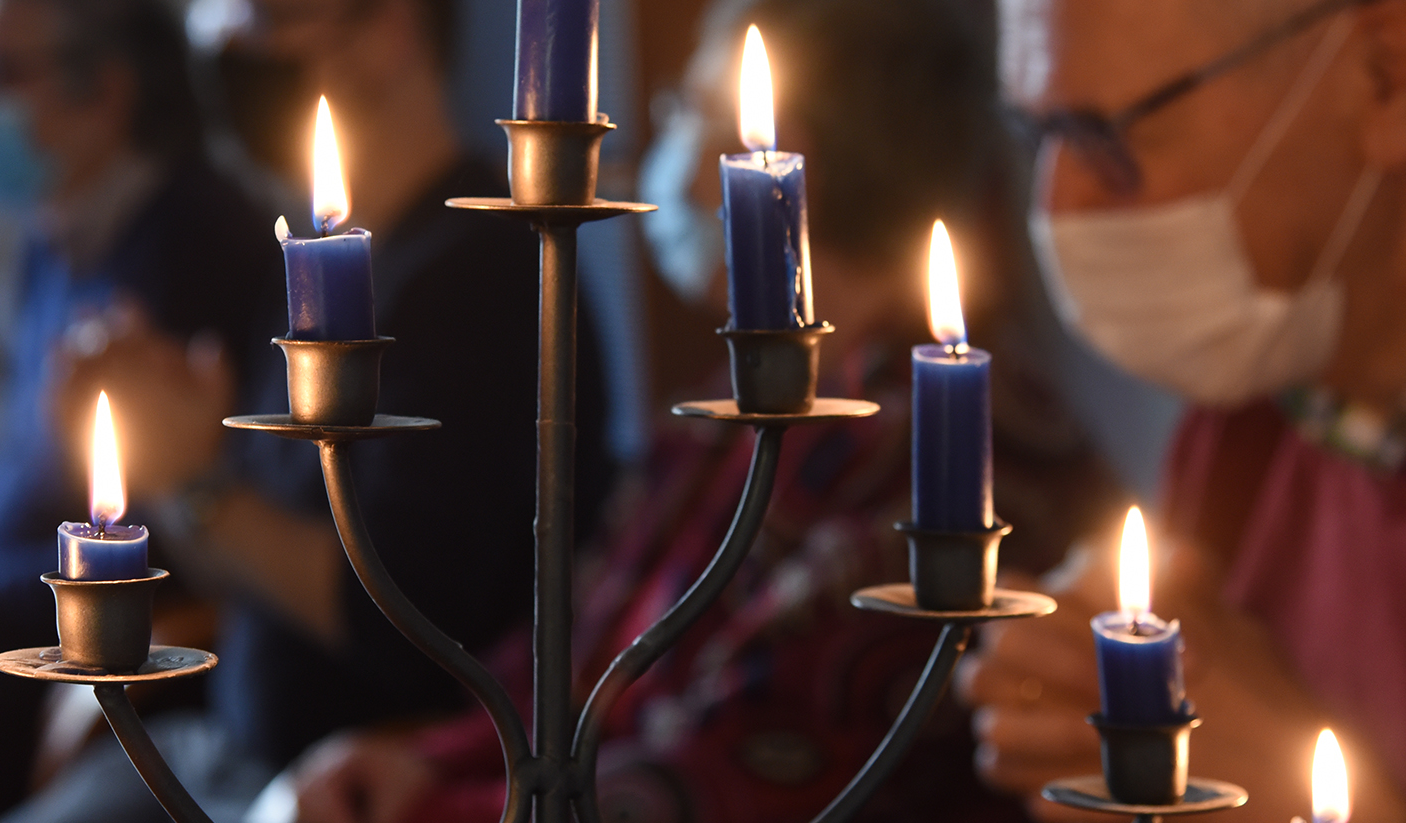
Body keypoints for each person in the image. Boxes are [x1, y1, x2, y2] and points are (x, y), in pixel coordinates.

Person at [272, 0, 1125, 821]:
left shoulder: (946, 466)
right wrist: (418, 763)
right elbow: (561, 681)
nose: (665, 142)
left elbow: (714, 786)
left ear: (792, 174)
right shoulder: (719, 435)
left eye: (688, 108)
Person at [0, 0, 617, 819]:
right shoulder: (323, 276)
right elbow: (255, 553)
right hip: (223, 749)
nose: (229, 50)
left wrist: (199, 482)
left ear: (389, 29)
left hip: (343, 784)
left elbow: (403, 614)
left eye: (265, 18)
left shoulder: (482, 279)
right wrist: (163, 435)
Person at [963, 0, 1406, 819]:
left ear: (1386, 75)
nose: (1056, 210)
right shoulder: (1252, 427)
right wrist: (1076, 700)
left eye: (1103, 135)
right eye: (1039, 138)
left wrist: (1282, 771)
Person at [0, 1, 282, 820]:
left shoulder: (196, 245)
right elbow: (15, 458)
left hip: (81, 668)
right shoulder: (56, 233)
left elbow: (161, 542)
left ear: (104, 90)